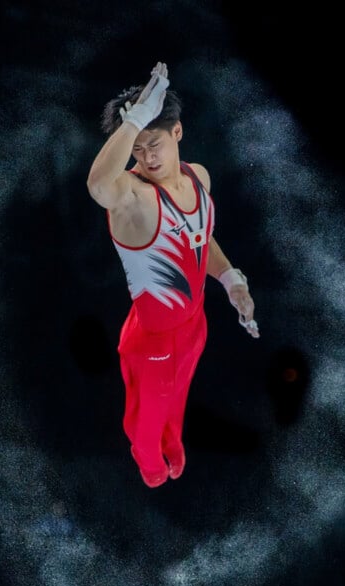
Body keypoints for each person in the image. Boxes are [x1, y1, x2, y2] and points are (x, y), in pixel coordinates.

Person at [86, 61, 259, 488]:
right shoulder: (133, 198)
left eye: (155, 143)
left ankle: (171, 437)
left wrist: (231, 279)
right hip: (153, 339)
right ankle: (148, 464)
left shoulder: (197, 177)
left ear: (177, 132)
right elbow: (98, 187)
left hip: (194, 323)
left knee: (177, 398)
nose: (147, 157)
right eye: (138, 147)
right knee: (147, 425)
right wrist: (135, 122)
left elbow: (200, 241)